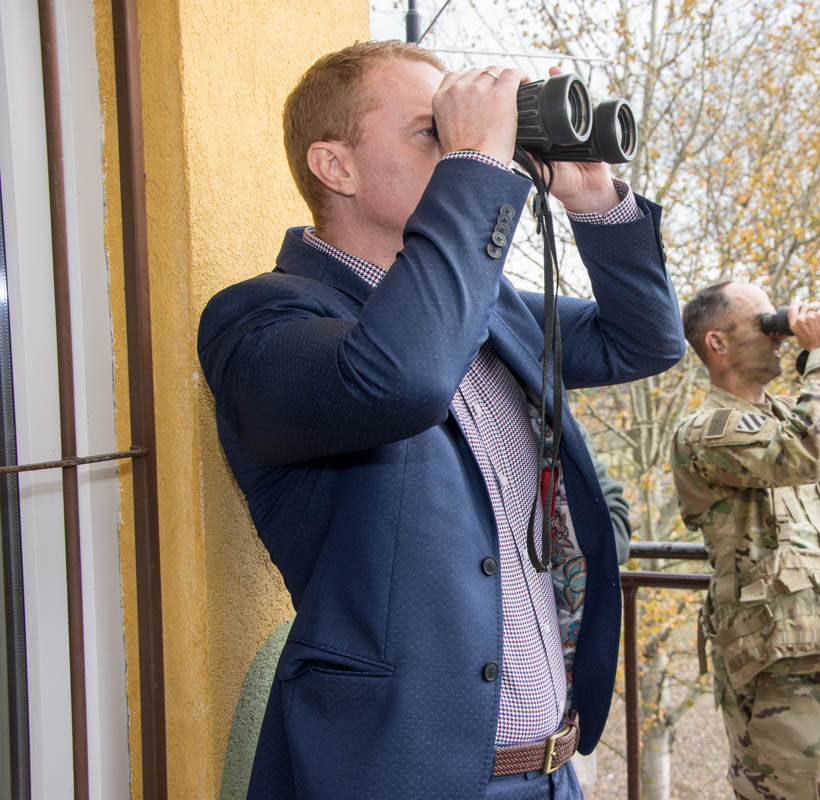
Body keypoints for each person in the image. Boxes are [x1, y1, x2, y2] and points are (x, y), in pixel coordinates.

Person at [197, 40, 684, 799]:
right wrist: (477, 166)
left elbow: (643, 341)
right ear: (337, 167)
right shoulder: (259, 321)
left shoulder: (490, 310)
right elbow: (403, 377)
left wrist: (595, 200)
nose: (464, 143)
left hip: (552, 770)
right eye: (434, 130)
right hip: (404, 779)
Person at [670, 281, 820, 800]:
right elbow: (801, 453)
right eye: (766, 325)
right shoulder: (706, 430)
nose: (780, 336)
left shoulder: (793, 414)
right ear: (717, 342)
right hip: (774, 667)